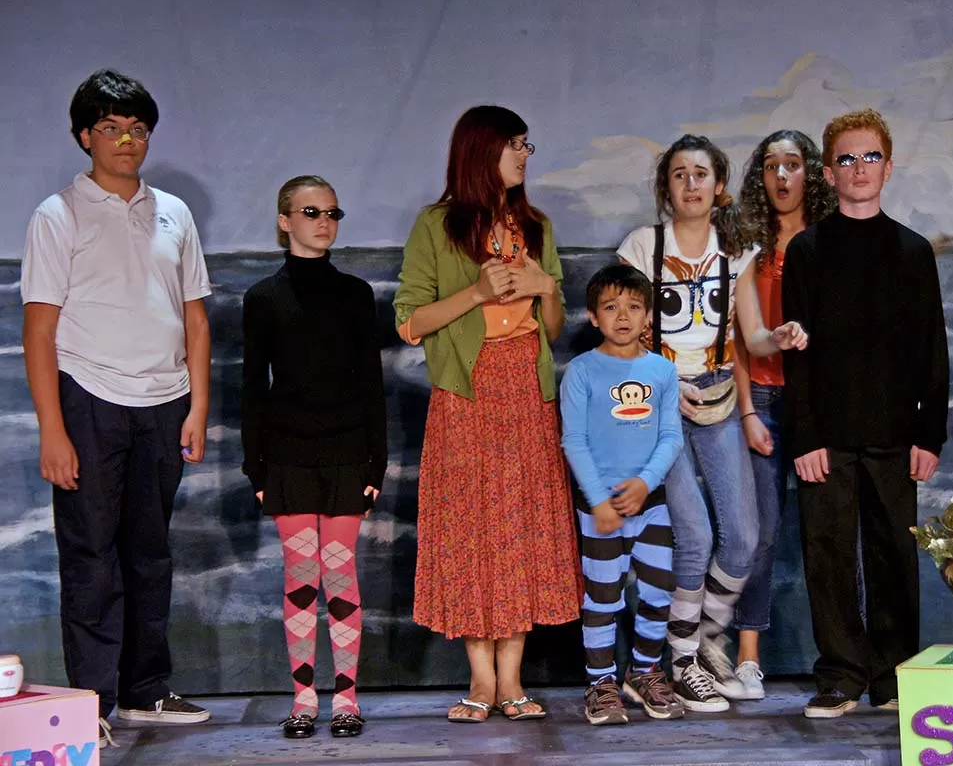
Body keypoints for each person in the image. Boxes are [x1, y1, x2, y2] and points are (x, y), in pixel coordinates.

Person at [20, 69, 212, 747]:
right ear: (85, 137)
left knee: (150, 553)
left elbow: (195, 319)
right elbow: (39, 330)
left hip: (164, 402)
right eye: (110, 128)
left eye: (137, 129)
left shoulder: (174, 213)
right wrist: (53, 429)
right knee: (91, 556)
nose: (126, 140)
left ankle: (145, 691)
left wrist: (197, 407)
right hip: (89, 398)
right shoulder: (58, 214)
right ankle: (93, 702)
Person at [393, 105, 581, 723]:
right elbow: (409, 321)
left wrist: (545, 288)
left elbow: (552, 329)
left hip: (527, 387)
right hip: (467, 392)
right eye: (515, 144)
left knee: (521, 524)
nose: (525, 155)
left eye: (527, 144)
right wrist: (475, 292)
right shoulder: (437, 225)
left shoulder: (536, 225)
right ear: (483, 149)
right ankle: (480, 678)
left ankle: (512, 679)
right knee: (471, 525)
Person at [617, 134, 807, 712]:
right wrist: (659, 384)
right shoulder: (642, 247)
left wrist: (777, 337)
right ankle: (681, 663)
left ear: (719, 185)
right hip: (660, 404)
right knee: (694, 535)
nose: (691, 184)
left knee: (744, 537)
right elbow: (622, 333)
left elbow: (751, 336)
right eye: (679, 174)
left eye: (701, 173)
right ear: (666, 187)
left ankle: (699, 637)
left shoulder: (735, 252)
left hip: (719, 396)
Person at [782, 109, 948, 719]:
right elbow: (796, 352)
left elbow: (933, 349)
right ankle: (841, 676)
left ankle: (893, 675)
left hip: (895, 434)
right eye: (847, 159)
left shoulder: (913, 251)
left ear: (889, 167)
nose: (859, 168)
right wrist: (804, 436)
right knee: (827, 556)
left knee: (894, 556)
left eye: (870, 156)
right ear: (828, 173)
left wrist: (930, 434)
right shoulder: (807, 250)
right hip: (826, 436)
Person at [241, 176, 386, 739]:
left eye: (332, 213)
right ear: (285, 221)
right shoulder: (263, 298)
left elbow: (371, 382)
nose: (324, 222)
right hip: (288, 455)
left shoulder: (355, 294)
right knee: (302, 578)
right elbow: (253, 386)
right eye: (311, 212)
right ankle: (303, 700)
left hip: (347, 452)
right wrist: (255, 466)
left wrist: (377, 463)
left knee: (341, 575)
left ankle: (346, 700)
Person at [728, 130, 837, 699]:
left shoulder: (830, 240)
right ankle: (748, 657)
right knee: (763, 533)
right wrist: (747, 409)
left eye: (792, 164)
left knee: (830, 532)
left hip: (820, 403)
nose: (781, 176)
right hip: (766, 403)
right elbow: (739, 340)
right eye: (771, 166)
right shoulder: (749, 246)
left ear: (809, 173)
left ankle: (843, 659)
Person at [560, 264, 686, 725]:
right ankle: (600, 683)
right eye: (611, 307)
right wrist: (598, 500)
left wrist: (645, 483)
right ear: (594, 317)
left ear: (648, 315)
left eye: (634, 307)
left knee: (658, 592)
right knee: (602, 598)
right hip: (600, 508)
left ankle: (645, 671)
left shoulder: (662, 371)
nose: (623, 316)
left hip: (650, 504)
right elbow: (573, 440)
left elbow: (671, 437)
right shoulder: (580, 371)